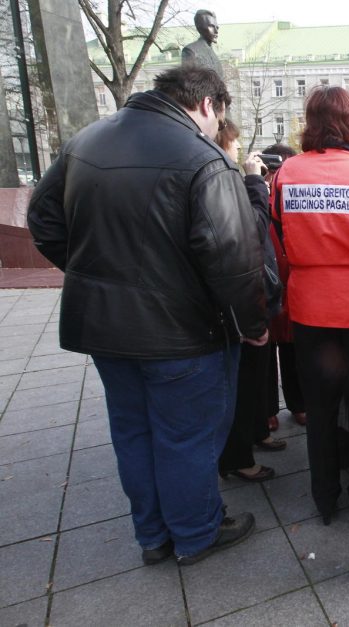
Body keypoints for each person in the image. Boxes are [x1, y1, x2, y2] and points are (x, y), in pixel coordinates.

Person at [27, 66, 266, 565]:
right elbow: (232, 259)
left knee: (134, 432)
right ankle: (196, 533)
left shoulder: (85, 141)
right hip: (182, 333)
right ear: (207, 105)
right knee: (187, 436)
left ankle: (153, 535)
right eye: (217, 115)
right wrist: (252, 324)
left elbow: (44, 221)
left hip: (104, 330)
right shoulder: (203, 158)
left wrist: (92, 274)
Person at [271, 85, 349, 525]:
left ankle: (324, 497)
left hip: (309, 310)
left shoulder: (286, 173)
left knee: (319, 411)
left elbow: (279, 240)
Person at [215, 122, 286, 483]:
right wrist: (256, 183)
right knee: (241, 382)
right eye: (235, 142)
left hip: (255, 295)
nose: (240, 148)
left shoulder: (227, 177)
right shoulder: (223, 181)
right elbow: (253, 231)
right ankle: (239, 457)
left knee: (257, 373)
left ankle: (258, 431)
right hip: (241, 300)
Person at [262, 143, 307, 432]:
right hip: (266, 287)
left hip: (293, 286)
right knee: (265, 355)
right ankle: (266, 409)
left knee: (292, 350)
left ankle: (298, 403)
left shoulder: (297, 198)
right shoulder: (255, 199)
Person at [181, 10, 224, 79]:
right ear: (199, 27)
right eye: (211, 26)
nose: (216, 31)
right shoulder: (190, 50)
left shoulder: (213, 53)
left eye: (217, 27)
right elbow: (188, 82)